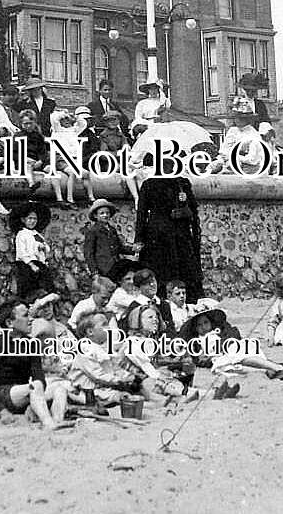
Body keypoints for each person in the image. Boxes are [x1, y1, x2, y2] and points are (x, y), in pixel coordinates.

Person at [0, 301, 73, 430]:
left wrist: (33, 402)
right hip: (3, 396)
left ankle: (57, 420)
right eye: (25, 316)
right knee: (34, 386)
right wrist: (2, 411)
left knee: (59, 388)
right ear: (9, 323)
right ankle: (48, 423)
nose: (30, 320)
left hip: (27, 392)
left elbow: (38, 376)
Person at [136, 165, 203, 302]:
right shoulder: (149, 184)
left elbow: (193, 212)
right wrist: (139, 239)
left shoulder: (182, 183)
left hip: (179, 236)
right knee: (161, 272)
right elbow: (142, 214)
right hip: (159, 237)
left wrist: (186, 201)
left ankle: (184, 302)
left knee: (183, 270)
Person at [67, 312, 137, 409]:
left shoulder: (103, 347)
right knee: (124, 398)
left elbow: (114, 368)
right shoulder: (85, 349)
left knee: (135, 390)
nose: (109, 328)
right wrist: (120, 381)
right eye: (104, 325)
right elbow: (97, 376)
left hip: (104, 386)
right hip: (87, 391)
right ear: (90, 332)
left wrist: (129, 377)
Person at [83, 199, 138, 279]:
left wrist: (133, 249)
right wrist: (94, 272)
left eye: (107, 213)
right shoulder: (93, 231)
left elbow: (118, 247)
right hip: (104, 268)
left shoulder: (112, 230)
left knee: (133, 267)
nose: (105, 215)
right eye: (102, 213)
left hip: (116, 264)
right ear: (95, 216)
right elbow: (89, 253)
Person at [10, 200, 53, 299]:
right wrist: (31, 265)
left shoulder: (37, 234)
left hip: (39, 264)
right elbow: (21, 253)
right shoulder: (21, 234)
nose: (32, 221)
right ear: (23, 220)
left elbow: (46, 248)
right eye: (30, 218)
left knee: (45, 288)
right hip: (26, 266)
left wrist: (44, 247)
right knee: (29, 290)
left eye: (35, 219)